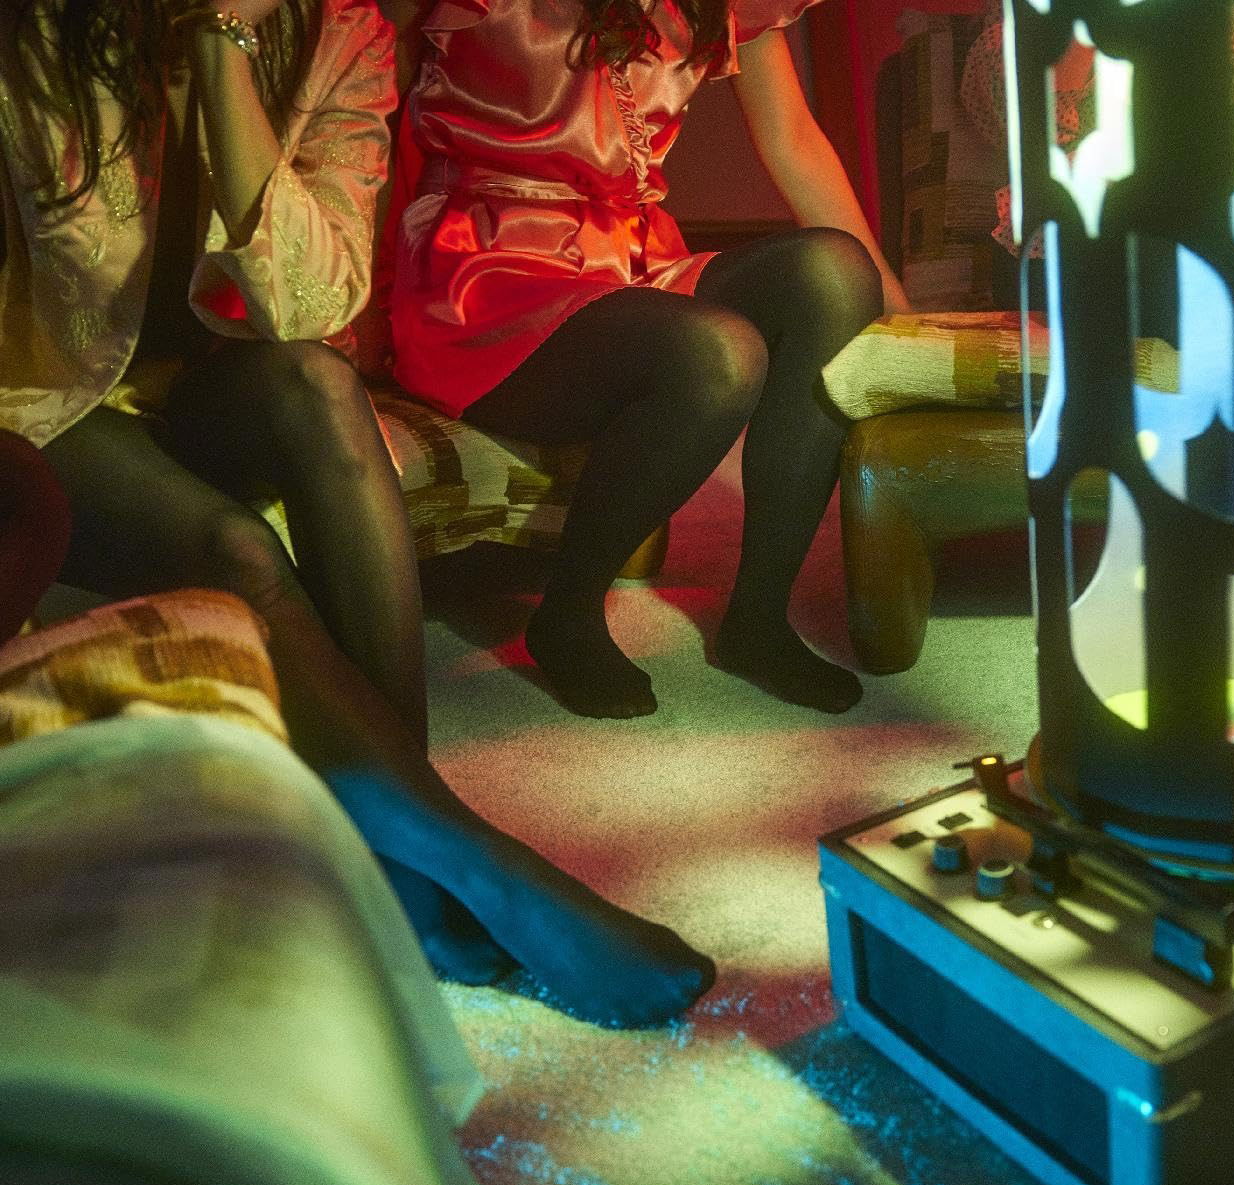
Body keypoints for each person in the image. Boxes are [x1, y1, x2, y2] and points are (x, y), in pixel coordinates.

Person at [0, 0, 714, 1026]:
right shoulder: (41, 28)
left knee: (317, 384)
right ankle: (467, 866)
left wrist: (222, 48)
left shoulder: (338, 32)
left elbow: (312, 305)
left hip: (197, 389)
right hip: (48, 396)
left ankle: (408, 842)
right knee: (236, 548)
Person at [387, 0, 910, 719]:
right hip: (487, 276)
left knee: (835, 273)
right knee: (718, 351)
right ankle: (568, 615)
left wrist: (902, 307)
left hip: (633, 261)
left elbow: (792, 139)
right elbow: (368, 118)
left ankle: (759, 619)